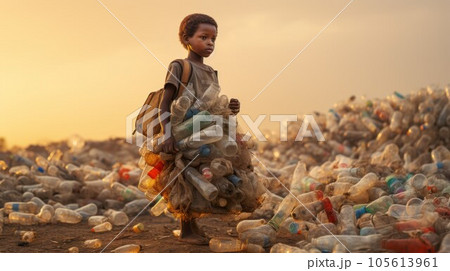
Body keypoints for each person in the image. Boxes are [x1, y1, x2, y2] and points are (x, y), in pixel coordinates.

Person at [158, 13, 240, 244]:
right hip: (184, 129)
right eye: (203, 37)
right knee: (186, 176)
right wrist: (167, 134)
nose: (210, 43)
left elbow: (215, 105)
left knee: (203, 176)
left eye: (213, 38)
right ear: (187, 38)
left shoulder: (212, 72)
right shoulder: (179, 66)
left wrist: (231, 108)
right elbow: (166, 103)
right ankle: (186, 230)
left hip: (207, 131)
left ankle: (193, 224)